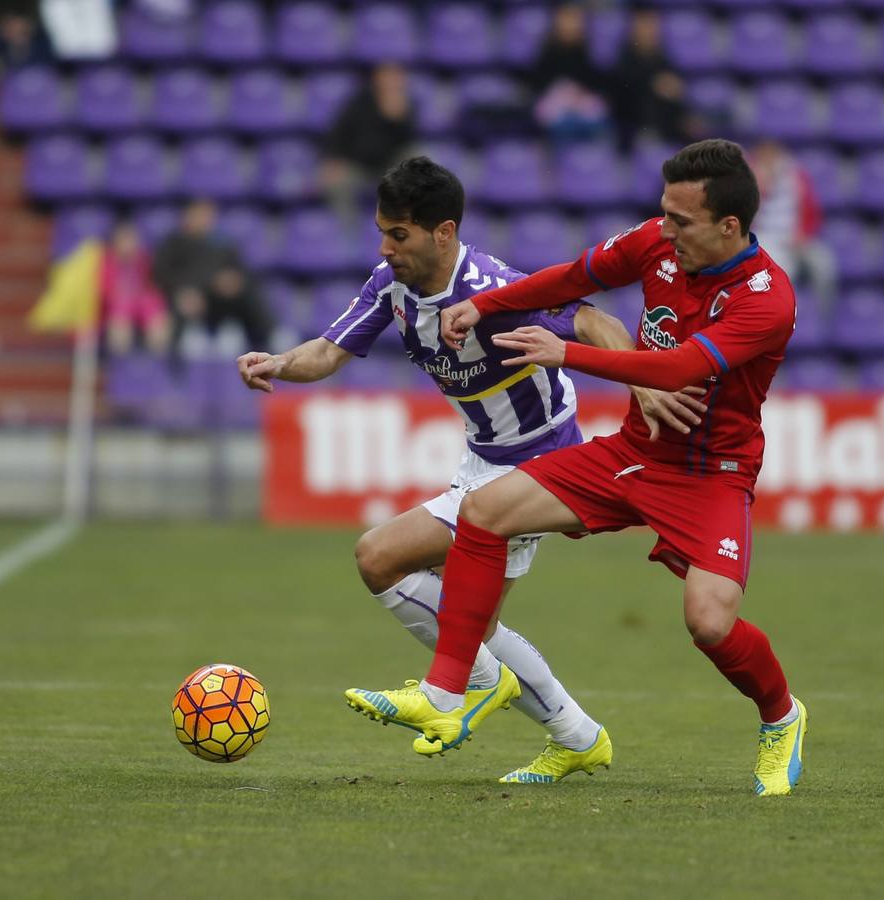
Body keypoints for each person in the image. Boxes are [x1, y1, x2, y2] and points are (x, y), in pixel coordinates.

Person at [345, 140, 808, 797]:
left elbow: (678, 369)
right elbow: (573, 277)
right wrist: (488, 303)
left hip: (711, 474)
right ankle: (447, 692)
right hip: (634, 453)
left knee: (708, 622)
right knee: (484, 510)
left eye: (680, 219)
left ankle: (781, 717)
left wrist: (565, 352)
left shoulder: (767, 300)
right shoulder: (656, 241)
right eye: (662, 212)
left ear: (728, 227)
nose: (663, 228)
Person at [239, 157, 705, 783]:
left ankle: (482, 690)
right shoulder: (391, 286)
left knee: (387, 563)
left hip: (540, 466)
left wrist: (642, 385)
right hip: (481, 460)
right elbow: (328, 351)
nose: (385, 248)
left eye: (397, 234)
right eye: (382, 232)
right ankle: (574, 734)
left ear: (443, 232)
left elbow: (598, 320)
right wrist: (277, 363)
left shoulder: (493, 291)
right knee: (463, 618)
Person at [153, 198, 272, 358]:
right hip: (182, 301)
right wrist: (182, 292)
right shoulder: (173, 243)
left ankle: (269, 334)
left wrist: (231, 282)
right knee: (182, 307)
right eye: (199, 215)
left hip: (218, 301)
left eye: (208, 216)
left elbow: (239, 273)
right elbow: (161, 274)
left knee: (245, 291)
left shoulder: (222, 244)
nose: (204, 220)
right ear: (187, 216)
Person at [318, 63, 416, 222]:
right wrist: (333, 160)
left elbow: (406, 142)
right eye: (387, 76)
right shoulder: (359, 101)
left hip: (390, 168)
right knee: (336, 182)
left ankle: (404, 221)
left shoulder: (407, 105)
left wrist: (396, 120)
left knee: (417, 162)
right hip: (358, 166)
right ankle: (346, 228)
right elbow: (339, 133)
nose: (391, 82)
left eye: (396, 77)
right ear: (377, 79)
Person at [749, 140, 837, 309]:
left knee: (824, 265)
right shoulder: (749, 177)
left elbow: (812, 212)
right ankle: (785, 316)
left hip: (796, 238)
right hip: (764, 239)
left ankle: (823, 314)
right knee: (782, 272)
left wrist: (803, 235)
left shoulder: (796, 176)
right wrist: (763, 185)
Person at [608, 8, 698, 152]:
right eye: (644, 27)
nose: (649, 33)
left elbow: (675, 90)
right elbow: (623, 93)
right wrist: (654, 84)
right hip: (633, 124)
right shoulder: (623, 60)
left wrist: (685, 116)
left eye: (652, 27)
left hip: (666, 124)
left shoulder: (663, 59)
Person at [526, 3, 611, 144]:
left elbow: (595, 82)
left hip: (582, 103)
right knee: (563, 126)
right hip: (556, 105)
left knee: (597, 123)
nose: (570, 25)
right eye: (566, 19)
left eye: (575, 20)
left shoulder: (588, 51)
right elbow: (539, 84)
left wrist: (579, 94)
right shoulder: (547, 51)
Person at [99, 221, 170, 357]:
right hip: (118, 304)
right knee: (119, 323)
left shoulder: (144, 259)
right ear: (115, 243)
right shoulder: (107, 262)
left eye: (131, 240)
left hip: (143, 302)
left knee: (158, 319)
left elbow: (153, 285)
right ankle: (120, 364)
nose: (128, 245)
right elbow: (105, 291)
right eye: (123, 240)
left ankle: (156, 364)